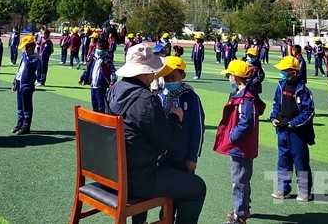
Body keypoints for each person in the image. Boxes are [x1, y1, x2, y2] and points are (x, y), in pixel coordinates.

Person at [105, 44, 206, 224]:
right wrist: (175, 118)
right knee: (197, 188)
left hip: (111, 173)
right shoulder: (146, 99)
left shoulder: (113, 90)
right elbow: (168, 141)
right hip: (138, 178)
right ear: (146, 71)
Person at [214, 60, 263, 224]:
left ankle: (240, 215)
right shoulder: (245, 94)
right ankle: (244, 209)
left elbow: (246, 122)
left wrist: (232, 136)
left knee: (239, 180)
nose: (228, 77)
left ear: (234, 77)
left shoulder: (245, 98)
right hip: (242, 146)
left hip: (241, 147)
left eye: (229, 75)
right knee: (242, 179)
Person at [269, 56, 315, 202]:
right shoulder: (280, 86)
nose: (282, 73)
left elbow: (309, 111)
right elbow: (276, 104)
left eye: (284, 70)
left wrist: (294, 123)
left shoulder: (303, 90)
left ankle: (304, 191)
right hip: (282, 129)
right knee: (283, 160)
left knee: (300, 162)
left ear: (293, 72)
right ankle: (283, 188)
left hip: (297, 132)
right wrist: (273, 117)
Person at [78, 37, 117, 113]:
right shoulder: (93, 58)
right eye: (97, 48)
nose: (97, 50)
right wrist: (82, 78)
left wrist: (113, 80)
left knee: (101, 105)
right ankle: (95, 117)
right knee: (94, 104)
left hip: (101, 86)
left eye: (99, 49)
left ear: (105, 50)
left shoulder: (107, 60)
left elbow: (113, 72)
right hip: (93, 85)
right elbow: (88, 69)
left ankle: (101, 117)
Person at [12, 35, 40, 135]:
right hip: (19, 82)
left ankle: (26, 125)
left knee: (26, 106)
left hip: (27, 84)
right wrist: (14, 82)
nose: (23, 50)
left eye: (24, 47)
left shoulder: (35, 58)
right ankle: (20, 122)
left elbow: (29, 65)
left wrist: (26, 54)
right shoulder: (24, 56)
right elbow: (20, 69)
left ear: (29, 48)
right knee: (20, 105)